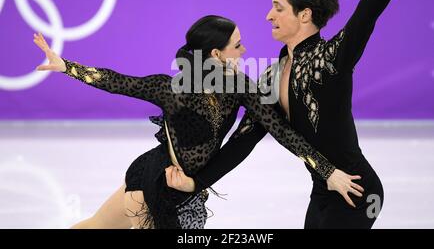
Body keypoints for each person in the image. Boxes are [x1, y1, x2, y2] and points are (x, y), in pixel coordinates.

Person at [166, 0, 423, 229]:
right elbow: (242, 141)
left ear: (304, 15)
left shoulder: (330, 59)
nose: (268, 15)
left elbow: (360, 23)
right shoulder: (271, 76)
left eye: (278, 7)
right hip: (323, 190)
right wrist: (197, 182)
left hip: (356, 189)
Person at [33, 15, 362, 229]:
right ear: (216, 55)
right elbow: (117, 81)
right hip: (155, 183)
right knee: (94, 227)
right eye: (237, 45)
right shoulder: (171, 88)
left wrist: (326, 171)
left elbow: (280, 130)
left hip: (187, 190)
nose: (245, 50)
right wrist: (66, 66)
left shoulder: (240, 88)